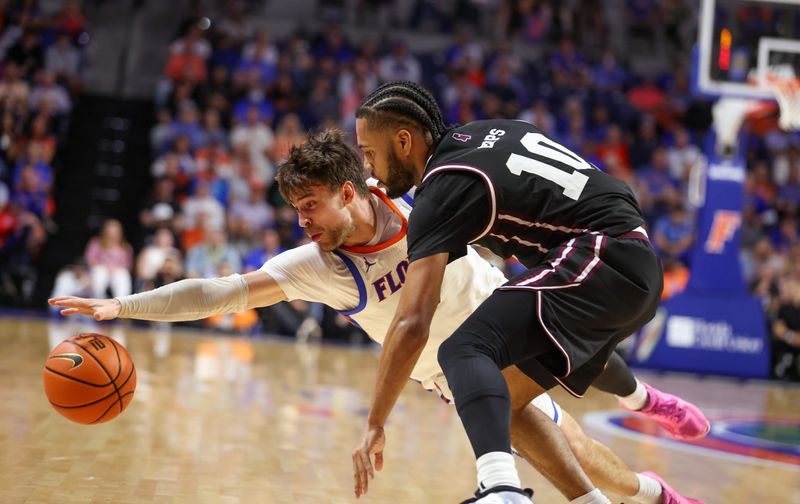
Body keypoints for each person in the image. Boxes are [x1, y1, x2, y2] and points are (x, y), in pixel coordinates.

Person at [50, 129, 704, 504]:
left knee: (589, 365)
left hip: (505, 303)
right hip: (464, 373)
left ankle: (649, 402)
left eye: (310, 206)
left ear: (350, 192)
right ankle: (652, 494)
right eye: (295, 211)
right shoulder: (318, 266)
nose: (301, 222)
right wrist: (123, 306)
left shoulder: (423, 193)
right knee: (576, 449)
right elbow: (220, 292)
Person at [352, 81, 708, 503]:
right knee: (504, 398)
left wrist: (376, 422)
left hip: (602, 256)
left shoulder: (442, 188)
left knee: (462, 351)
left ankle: (501, 490)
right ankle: (639, 474)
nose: (369, 167)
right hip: (624, 254)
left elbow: (413, 323)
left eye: (369, 152)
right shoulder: (490, 130)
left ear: (404, 140)